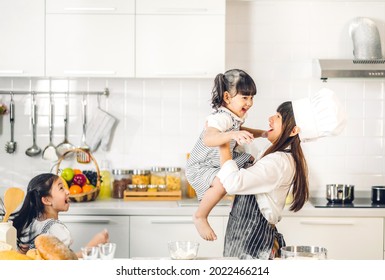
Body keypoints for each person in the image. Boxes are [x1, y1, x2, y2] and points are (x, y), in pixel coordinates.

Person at [216, 88, 346, 259]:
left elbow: (233, 183)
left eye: (278, 117)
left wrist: (222, 141)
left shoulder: (278, 162)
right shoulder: (275, 155)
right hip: (246, 242)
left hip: (253, 246)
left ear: (293, 131)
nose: (270, 119)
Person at [186, 69, 266, 241]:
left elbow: (239, 130)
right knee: (222, 183)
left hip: (217, 161)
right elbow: (209, 138)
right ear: (228, 97)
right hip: (203, 165)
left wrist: (263, 133)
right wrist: (232, 135)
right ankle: (200, 216)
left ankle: (241, 203)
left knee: (250, 161)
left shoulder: (233, 117)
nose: (250, 103)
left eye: (252, 97)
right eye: (245, 97)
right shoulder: (221, 118)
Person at [12, 173, 109, 258]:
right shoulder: (57, 229)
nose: (68, 191)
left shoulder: (30, 223)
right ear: (46, 200)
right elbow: (66, 261)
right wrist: (93, 245)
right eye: (61, 188)